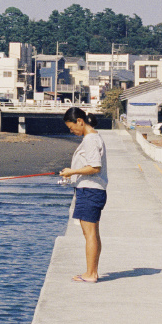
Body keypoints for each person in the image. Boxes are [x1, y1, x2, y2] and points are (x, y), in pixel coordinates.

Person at [61, 106, 108, 283]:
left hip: (90, 191)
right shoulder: (93, 138)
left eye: (71, 127)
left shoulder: (90, 139)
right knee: (93, 233)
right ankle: (92, 271)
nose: (71, 131)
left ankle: (91, 274)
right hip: (92, 190)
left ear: (79, 121)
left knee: (89, 234)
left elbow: (95, 167)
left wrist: (72, 172)